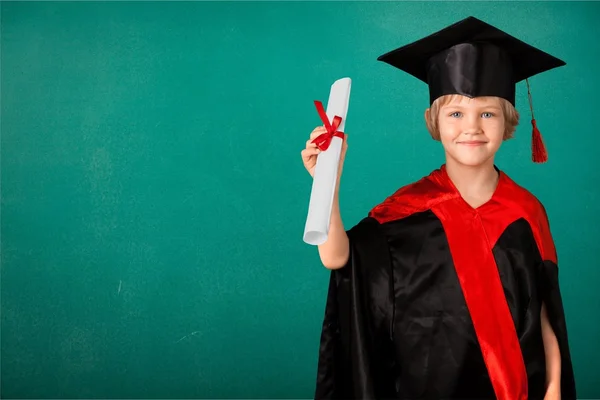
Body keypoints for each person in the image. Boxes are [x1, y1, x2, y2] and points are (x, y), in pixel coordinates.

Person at [301, 16, 576, 400]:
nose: (472, 127)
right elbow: (338, 258)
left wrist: (553, 389)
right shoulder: (406, 211)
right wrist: (327, 181)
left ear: (508, 121)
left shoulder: (526, 211)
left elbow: (546, 314)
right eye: (456, 113)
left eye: (488, 113)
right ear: (434, 121)